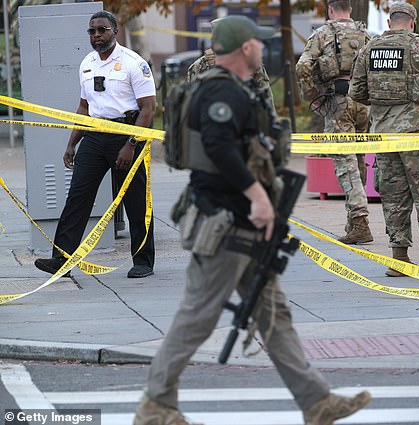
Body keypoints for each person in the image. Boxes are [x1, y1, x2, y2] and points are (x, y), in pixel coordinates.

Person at [133, 16, 370, 425]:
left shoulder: (238, 90)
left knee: (273, 314)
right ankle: (155, 404)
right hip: (225, 223)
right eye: (257, 43)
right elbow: (219, 147)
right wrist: (258, 196)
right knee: (198, 316)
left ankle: (317, 402)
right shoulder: (220, 91)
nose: (263, 47)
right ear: (245, 48)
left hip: (245, 224)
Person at [34, 10, 156, 279]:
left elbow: (148, 109)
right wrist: (71, 143)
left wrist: (131, 143)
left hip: (127, 134)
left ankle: (143, 261)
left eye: (102, 30)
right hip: (95, 136)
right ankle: (62, 259)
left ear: (115, 31)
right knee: (77, 196)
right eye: (92, 31)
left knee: (135, 200)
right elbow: (84, 106)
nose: (96, 35)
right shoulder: (87, 62)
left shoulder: (133, 63)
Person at [348, 2, 419, 277]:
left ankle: (399, 260)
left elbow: (357, 91)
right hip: (418, 134)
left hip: (384, 135)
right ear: (412, 22)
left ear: (389, 22)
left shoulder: (369, 50)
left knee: (393, 197)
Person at [296, 0, 373, 245]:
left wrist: (313, 98)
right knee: (358, 158)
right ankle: (354, 222)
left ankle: (360, 220)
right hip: (364, 104)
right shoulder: (365, 34)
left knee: (344, 160)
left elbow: (302, 66)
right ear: (349, 9)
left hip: (338, 103)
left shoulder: (323, 34)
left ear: (330, 9)